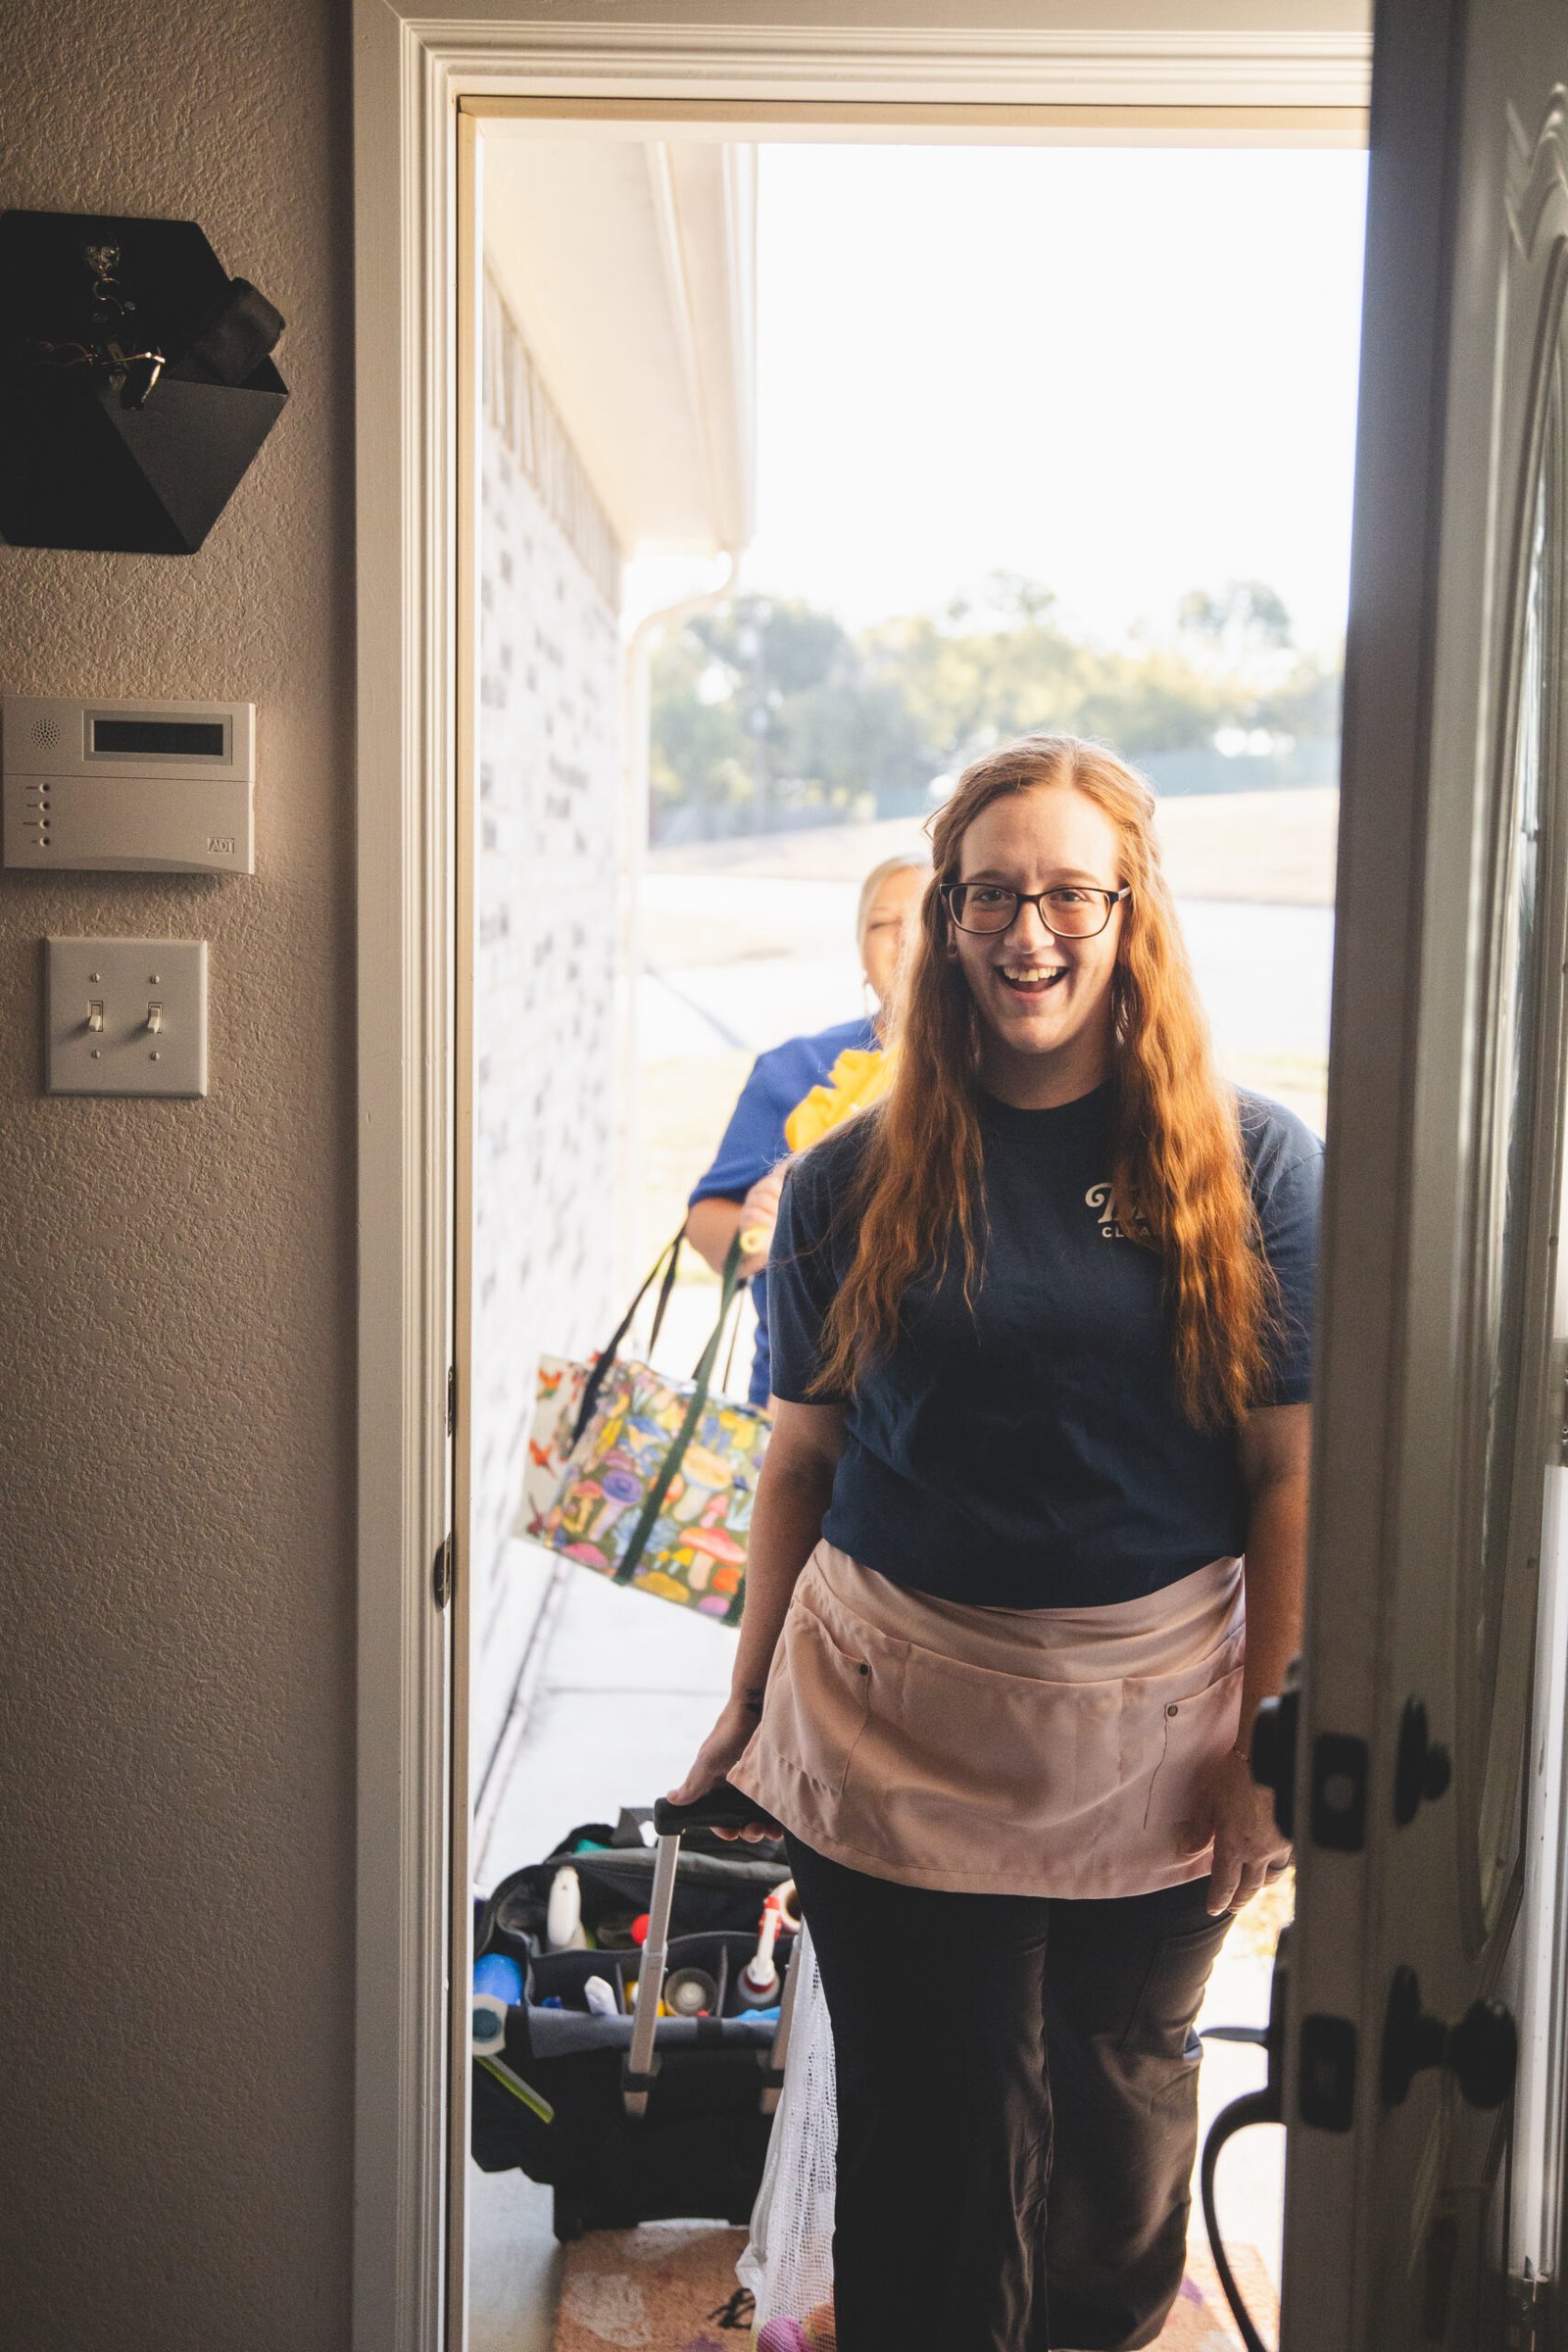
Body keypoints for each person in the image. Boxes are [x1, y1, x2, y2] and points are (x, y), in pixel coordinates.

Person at [670, 735, 1321, 2352]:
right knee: (935, 2147)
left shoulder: (1252, 1165)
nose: (1030, 934)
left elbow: (1289, 1478)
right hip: (896, 1727)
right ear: (944, 917)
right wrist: (746, 1704)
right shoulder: (845, 1180)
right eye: (991, 896)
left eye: (1069, 895)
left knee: (1115, 2129)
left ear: (1131, 911)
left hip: (1159, 1732)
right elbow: (803, 1462)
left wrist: (1271, 1741)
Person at [685, 854, 928, 1405]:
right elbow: (706, 1223)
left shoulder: (1006, 1071)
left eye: (924, 920)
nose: (904, 938)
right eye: (882, 923)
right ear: (860, 954)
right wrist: (756, 1234)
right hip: (795, 1402)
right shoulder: (794, 1070)